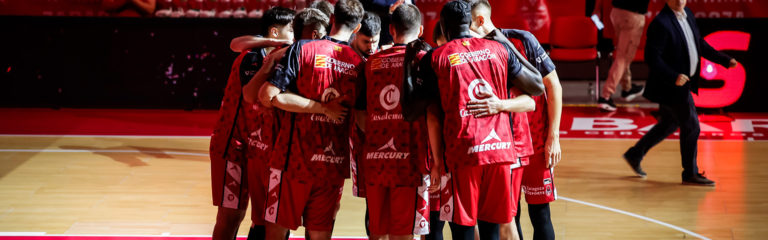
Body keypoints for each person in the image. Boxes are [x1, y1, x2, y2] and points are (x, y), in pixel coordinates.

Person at [413, 1, 544, 240]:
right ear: (471, 23)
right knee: (492, 230)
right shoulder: (498, 49)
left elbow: (418, 110)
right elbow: (536, 86)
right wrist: (504, 44)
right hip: (500, 152)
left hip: (464, 152)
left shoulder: (436, 57)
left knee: (463, 230)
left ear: (443, 25)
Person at [253, 0, 365, 239]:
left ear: (332, 19)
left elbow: (268, 96)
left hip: (292, 161)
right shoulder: (359, 64)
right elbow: (363, 121)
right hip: (332, 165)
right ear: (357, 29)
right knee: (320, 235)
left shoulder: (303, 49)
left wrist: (320, 108)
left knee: (276, 232)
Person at [467, 1, 562, 240]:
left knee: (540, 214)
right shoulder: (469, 51)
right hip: (501, 148)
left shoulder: (523, 40)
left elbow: (554, 86)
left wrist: (554, 136)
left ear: (479, 20)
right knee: (509, 218)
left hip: (537, 144)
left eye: (465, 24)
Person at [623, 0, 739, 186]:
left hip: (683, 83)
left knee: (669, 123)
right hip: (672, 85)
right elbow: (652, 58)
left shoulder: (688, 14)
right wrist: (673, 76)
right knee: (692, 125)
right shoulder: (661, 23)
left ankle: (635, 154)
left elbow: (699, 44)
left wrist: (724, 60)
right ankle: (690, 173)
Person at [209, 6, 295, 240]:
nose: (296, 35)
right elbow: (253, 95)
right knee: (231, 216)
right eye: (292, 30)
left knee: (264, 217)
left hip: (257, 148)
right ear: (275, 33)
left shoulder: (280, 56)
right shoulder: (252, 57)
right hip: (232, 145)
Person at [354, 3, 429, 240]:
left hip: (376, 162)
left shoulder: (371, 63)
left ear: (391, 30)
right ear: (420, 31)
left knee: (378, 232)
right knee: (406, 234)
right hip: (411, 163)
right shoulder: (423, 60)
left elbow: (360, 115)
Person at [597, 0, 650, 112]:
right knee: (623, 58)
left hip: (617, 13)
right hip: (632, 16)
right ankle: (605, 97)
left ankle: (627, 88)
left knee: (622, 54)